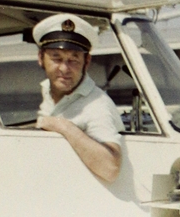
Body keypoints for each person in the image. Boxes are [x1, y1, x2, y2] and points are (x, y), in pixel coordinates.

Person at [32, 14, 123, 181]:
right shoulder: (46, 90)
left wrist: (64, 127)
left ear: (86, 61)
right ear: (40, 58)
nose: (64, 68)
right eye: (56, 58)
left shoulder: (97, 105)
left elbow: (110, 168)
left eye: (73, 59)